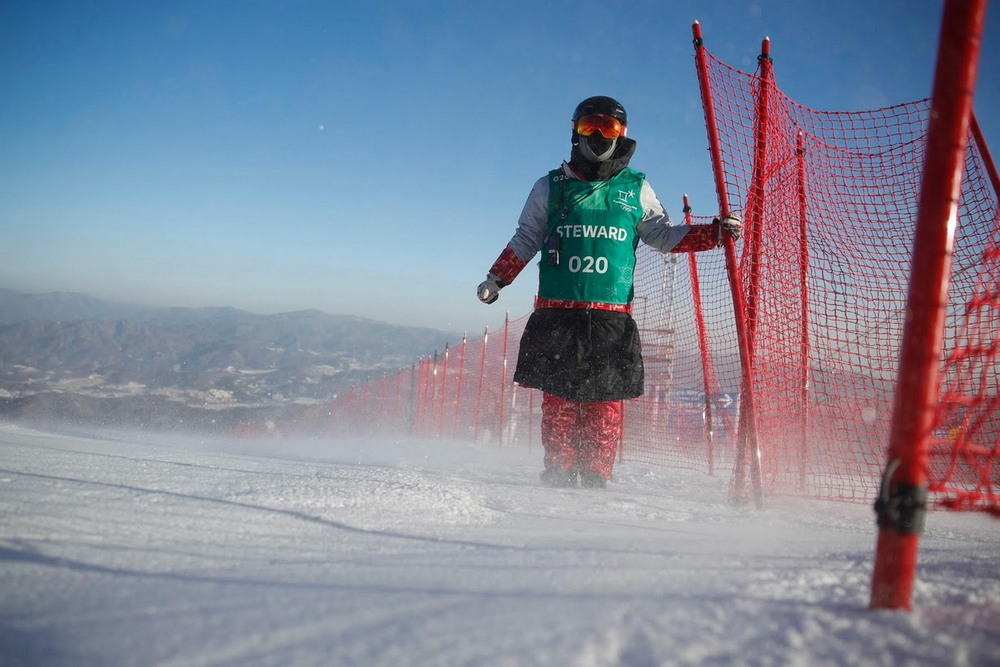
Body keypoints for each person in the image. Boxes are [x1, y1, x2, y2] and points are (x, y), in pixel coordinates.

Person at [477, 95, 741, 489]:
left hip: (610, 315)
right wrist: (497, 278)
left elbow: (663, 236)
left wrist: (713, 234)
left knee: (604, 403)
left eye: (609, 128)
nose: (598, 136)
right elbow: (527, 237)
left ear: (623, 135)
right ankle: (559, 474)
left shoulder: (636, 187)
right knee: (560, 400)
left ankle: (596, 476)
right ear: (574, 131)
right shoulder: (550, 186)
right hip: (557, 312)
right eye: (589, 127)